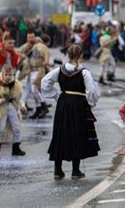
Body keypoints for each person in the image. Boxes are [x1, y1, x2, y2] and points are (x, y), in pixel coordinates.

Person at [42, 44, 101, 180]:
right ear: (80, 56)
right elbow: (92, 91)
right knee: (77, 133)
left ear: (67, 55)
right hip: (79, 104)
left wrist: (56, 96)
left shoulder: (59, 70)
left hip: (63, 102)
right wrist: (90, 103)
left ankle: (58, 170)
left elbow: (45, 82)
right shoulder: (84, 72)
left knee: (60, 133)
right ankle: (75, 171)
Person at [0, 65, 26, 157]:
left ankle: (16, 149)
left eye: (10, 74)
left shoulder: (16, 84)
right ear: (3, 74)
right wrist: (0, 101)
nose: (8, 76)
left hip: (12, 106)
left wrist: (22, 105)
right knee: (0, 129)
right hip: (1, 109)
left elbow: (18, 97)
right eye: (6, 74)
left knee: (16, 128)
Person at [19, 33, 51, 119]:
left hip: (38, 71)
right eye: (29, 37)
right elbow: (23, 56)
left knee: (34, 90)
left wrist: (44, 63)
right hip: (31, 71)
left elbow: (46, 57)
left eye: (32, 37)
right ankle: (38, 109)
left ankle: (43, 106)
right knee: (34, 91)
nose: (31, 39)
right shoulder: (26, 47)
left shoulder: (41, 47)